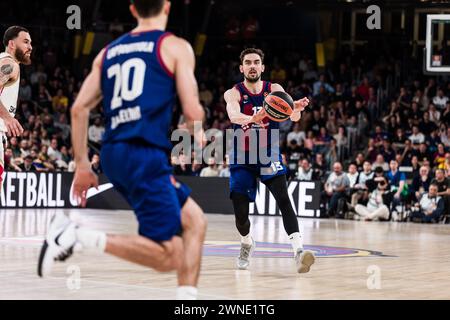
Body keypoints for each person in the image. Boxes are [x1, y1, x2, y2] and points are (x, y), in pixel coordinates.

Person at [37, 0, 207, 301]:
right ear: (167, 7)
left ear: (132, 9)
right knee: (170, 255)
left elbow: (78, 110)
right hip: (144, 154)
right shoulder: (175, 47)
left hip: (113, 153)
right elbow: (192, 111)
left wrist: (82, 165)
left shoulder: (108, 52)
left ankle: (187, 298)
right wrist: (197, 132)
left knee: (195, 221)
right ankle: (75, 235)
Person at [224, 47, 314, 273]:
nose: (252, 66)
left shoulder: (274, 90)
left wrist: (297, 109)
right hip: (242, 155)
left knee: (284, 199)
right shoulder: (233, 93)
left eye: (256, 62)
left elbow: (291, 116)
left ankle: (299, 251)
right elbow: (233, 116)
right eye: (248, 62)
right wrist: (252, 118)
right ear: (241, 68)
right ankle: (247, 242)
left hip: (268, 153)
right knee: (241, 215)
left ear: (262, 67)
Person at [0, 26, 31, 191]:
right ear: (12, 44)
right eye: (25, 42)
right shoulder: (10, 64)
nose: (30, 47)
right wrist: (7, 117)